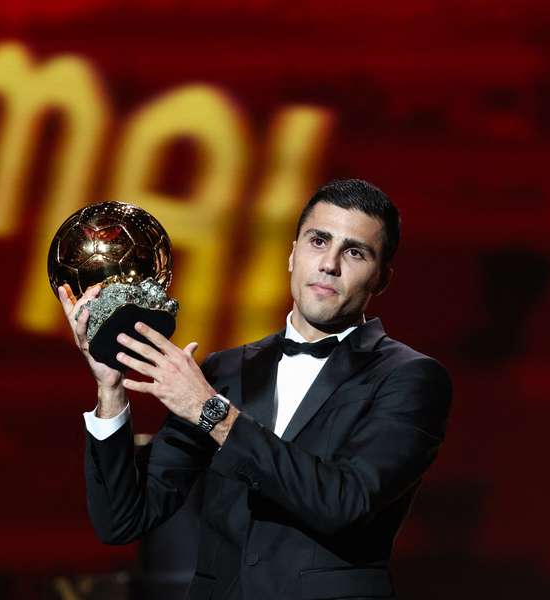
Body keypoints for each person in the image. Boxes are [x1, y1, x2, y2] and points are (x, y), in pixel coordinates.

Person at [58, 178, 453, 600]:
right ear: (292, 253)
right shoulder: (224, 370)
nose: (329, 264)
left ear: (382, 279)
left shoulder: (409, 377)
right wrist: (111, 390)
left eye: (354, 252)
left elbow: (345, 503)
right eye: (318, 241)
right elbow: (123, 520)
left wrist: (214, 414)